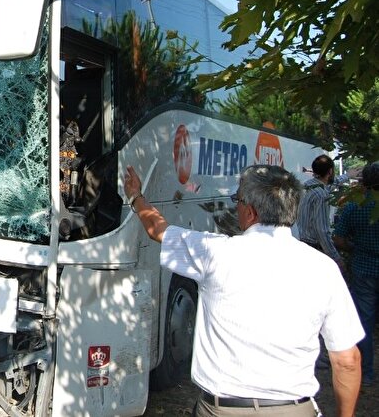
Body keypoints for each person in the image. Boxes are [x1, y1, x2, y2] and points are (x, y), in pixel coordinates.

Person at [124, 163, 363, 417]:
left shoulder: (214, 253)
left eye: (236, 200)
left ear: (250, 211)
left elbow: (158, 230)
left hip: (221, 411)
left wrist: (136, 196)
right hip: (294, 410)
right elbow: (347, 361)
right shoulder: (323, 268)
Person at [333, 162, 379, 387]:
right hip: (364, 269)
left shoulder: (354, 207)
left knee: (365, 322)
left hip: (363, 270)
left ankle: (367, 373)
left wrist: (356, 247)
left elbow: (339, 239)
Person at [296, 155, 345, 272]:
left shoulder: (306, 185)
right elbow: (322, 231)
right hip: (315, 247)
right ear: (330, 171)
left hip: (303, 244)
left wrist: (348, 176)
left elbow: (330, 185)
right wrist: (336, 258)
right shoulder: (322, 195)